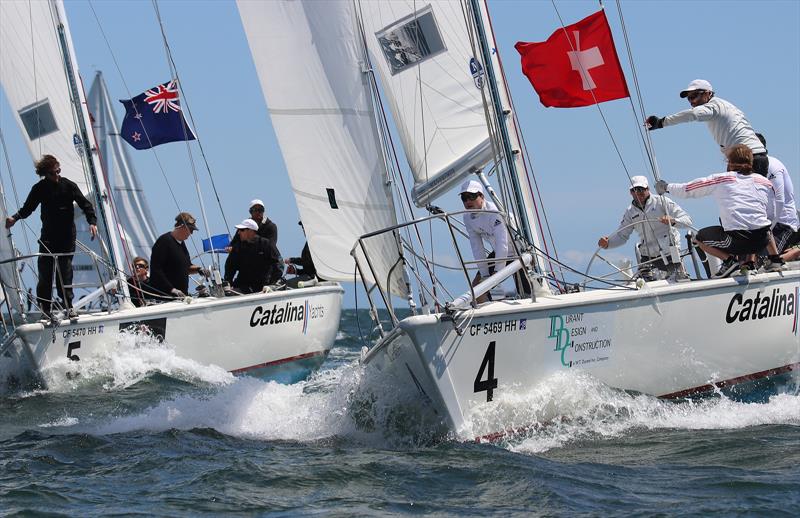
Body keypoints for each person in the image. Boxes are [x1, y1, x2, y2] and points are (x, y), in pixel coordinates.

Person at [656, 144, 781, 278]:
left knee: (698, 238)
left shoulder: (722, 179)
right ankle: (768, 261)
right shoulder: (765, 182)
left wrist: (666, 187)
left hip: (738, 242)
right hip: (762, 241)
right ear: (751, 162)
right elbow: (772, 215)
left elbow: (688, 189)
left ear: (730, 162)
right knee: (758, 222)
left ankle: (730, 261)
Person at [5, 155, 98, 317]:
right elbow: (28, 208)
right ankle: (45, 309)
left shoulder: (68, 185)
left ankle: (68, 306)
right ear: (45, 174)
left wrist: (92, 222)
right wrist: (14, 218)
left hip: (67, 236)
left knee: (64, 272)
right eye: (52, 173)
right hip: (48, 236)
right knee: (45, 273)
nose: (56, 176)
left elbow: (85, 204)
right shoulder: (39, 188)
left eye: (58, 171)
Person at [646, 80, 769, 177]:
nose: (691, 101)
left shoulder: (714, 106)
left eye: (694, 96)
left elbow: (692, 114)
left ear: (708, 93)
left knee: (739, 202)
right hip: (754, 157)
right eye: (689, 98)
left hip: (747, 159)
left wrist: (661, 122)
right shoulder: (726, 106)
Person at [598, 176, 692, 279]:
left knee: (677, 280)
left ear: (648, 189)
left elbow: (687, 220)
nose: (638, 192)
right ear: (630, 192)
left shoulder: (662, 202)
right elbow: (622, 235)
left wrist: (673, 221)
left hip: (671, 254)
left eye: (641, 189)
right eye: (635, 190)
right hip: (647, 258)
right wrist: (608, 244)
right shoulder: (630, 212)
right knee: (642, 285)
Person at [459, 179, 517, 301]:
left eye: (472, 196)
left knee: (528, 291)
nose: (468, 201)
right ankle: (498, 305)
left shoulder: (494, 212)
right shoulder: (467, 218)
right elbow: (477, 247)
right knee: (478, 289)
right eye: (464, 198)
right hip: (499, 253)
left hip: (519, 252)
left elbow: (503, 243)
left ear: (482, 196)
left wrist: (497, 273)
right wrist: (485, 274)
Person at [149, 212, 209, 298]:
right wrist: (172, 290)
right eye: (191, 229)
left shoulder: (182, 243)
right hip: (165, 297)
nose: (191, 233)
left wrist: (199, 270)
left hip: (181, 296)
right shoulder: (164, 241)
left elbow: (186, 267)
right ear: (182, 226)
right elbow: (156, 270)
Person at [756, 133, 798, 253]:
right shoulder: (753, 167)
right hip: (765, 224)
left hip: (783, 223)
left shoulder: (773, 165)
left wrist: (769, 228)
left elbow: (780, 200)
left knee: (764, 260)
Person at [224, 218, 282, 294]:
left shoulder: (266, 244)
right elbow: (230, 267)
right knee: (228, 294)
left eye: (241, 230)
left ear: (251, 231)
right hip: (243, 286)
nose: (238, 233)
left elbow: (279, 264)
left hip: (263, 288)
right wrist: (228, 282)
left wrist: (271, 284)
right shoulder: (237, 248)